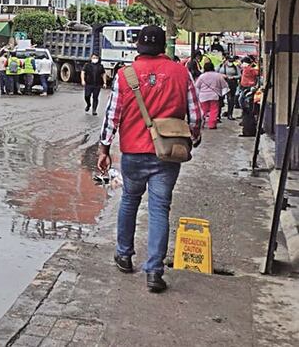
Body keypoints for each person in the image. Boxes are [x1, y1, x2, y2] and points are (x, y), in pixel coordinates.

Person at [98, 24, 202, 293]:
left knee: (129, 200)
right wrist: (193, 138)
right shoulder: (181, 72)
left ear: (138, 46)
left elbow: (112, 116)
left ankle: (124, 255)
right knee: (159, 208)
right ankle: (154, 272)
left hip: (133, 152)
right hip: (168, 153)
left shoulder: (125, 75)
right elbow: (196, 115)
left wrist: (104, 149)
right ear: (163, 46)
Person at [194, 61, 229, 130]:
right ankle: (212, 125)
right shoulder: (218, 76)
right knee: (214, 111)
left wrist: (197, 95)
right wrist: (222, 93)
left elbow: (197, 86)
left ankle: (201, 123)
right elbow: (225, 86)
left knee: (203, 111)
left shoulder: (202, 76)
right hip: (214, 96)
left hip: (203, 97)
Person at [222, 56, 241, 120]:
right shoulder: (222, 66)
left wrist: (233, 77)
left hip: (232, 84)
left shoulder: (236, 67)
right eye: (229, 60)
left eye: (232, 61)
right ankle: (218, 115)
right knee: (221, 99)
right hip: (223, 83)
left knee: (231, 99)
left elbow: (239, 75)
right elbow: (217, 72)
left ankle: (230, 114)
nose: (231, 62)